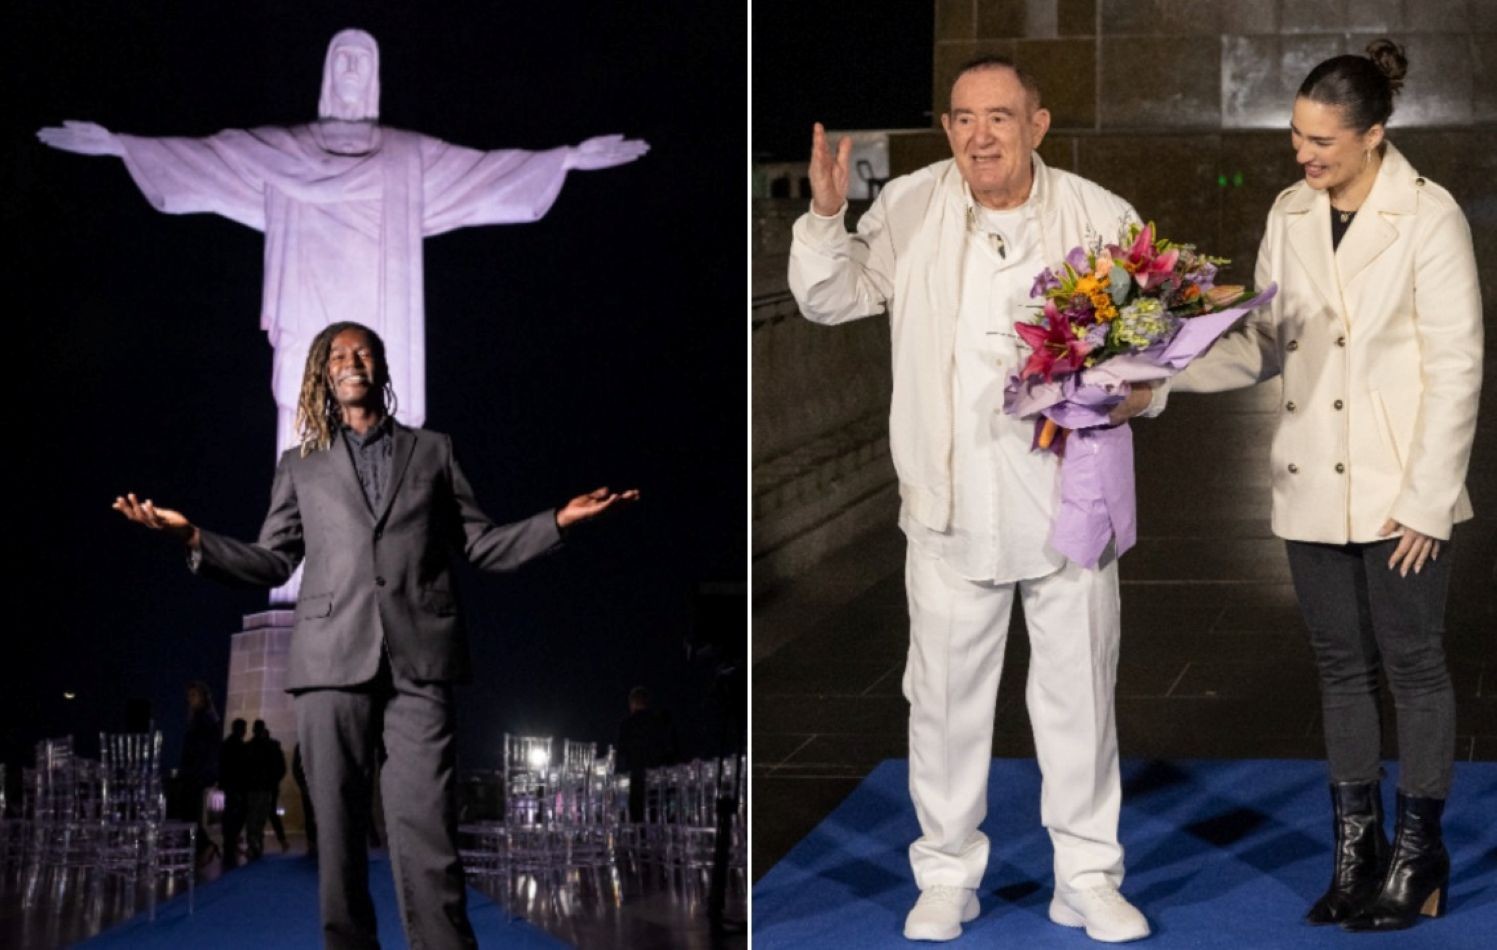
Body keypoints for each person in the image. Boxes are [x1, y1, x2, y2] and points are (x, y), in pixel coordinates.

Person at [113, 320, 637, 949]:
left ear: (383, 367)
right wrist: (194, 539)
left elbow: (481, 544)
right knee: (337, 841)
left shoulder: (434, 450)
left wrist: (558, 521)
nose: (352, 361)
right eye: (337, 355)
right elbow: (273, 561)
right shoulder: (300, 464)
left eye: (363, 352)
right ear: (323, 373)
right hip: (329, 664)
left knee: (430, 836)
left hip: (421, 663)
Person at [788, 56, 1154, 943]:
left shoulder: (1100, 217)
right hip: (948, 501)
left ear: (1037, 123)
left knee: (1079, 697)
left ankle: (1086, 877)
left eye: (998, 117)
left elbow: (1148, 353)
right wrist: (827, 217)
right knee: (944, 702)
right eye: (961, 118)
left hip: (1068, 500)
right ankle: (947, 874)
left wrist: (1126, 393)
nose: (978, 137)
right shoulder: (910, 203)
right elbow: (828, 297)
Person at [1166, 39, 1481, 932]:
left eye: (1321, 141)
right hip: (1310, 476)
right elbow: (1267, 344)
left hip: (1397, 490)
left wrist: (1426, 500)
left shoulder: (1429, 216)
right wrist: (1157, 380)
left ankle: (1417, 856)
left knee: (1413, 665)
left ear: (1372, 135)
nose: (1302, 154)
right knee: (1340, 668)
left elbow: (1456, 366)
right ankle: (1356, 855)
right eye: (1296, 136)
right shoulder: (1288, 212)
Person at [38, 29, 648, 460]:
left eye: (362, 62)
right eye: (343, 61)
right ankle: (304, 568)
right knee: (306, 422)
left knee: (377, 424)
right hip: (309, 316)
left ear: (374, 77)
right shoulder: (286, 150)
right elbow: (209, 159)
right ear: (329, 74)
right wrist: (122, 146)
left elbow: (485, 174)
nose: (352, 72)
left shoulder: (406, 157)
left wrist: (565, 159)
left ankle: (377, 568)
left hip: (379, 316)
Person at [174, 680, 222, 867]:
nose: (190, 699)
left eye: (194, 695)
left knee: (189, 812)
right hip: (195, 772)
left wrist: (198, 771)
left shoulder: (204, 720)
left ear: (203, 697)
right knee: (188, 812)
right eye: (189, 696)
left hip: (196, 773)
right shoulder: (201, 719)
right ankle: (198, 848)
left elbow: (204, 749)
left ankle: (203, 846)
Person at [616, 686, 678, 822]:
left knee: (636, 816)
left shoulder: (627, 724)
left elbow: (621, 754)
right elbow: (668, 750)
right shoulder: (659, 723)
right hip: (658, 782)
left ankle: (637, 831)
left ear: (632, 703)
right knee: (656, 813)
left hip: (636, 781)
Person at [245, 720, 289, 860]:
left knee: (253, 816)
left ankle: (254, 844)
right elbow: (281, 768)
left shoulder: (249, 747)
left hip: (254, 787)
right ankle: (259, 842)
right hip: (267, 787)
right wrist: (273, 781)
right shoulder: (272, 746)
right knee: (263, 816)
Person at [219, 718, 250, 869]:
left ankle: (229, 841)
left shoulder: (226, 744)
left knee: (229, 813)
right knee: (237, 813)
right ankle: (231, 840)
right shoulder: (239, 745)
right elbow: (242, 767)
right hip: (237, 785)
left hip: (229, 785)